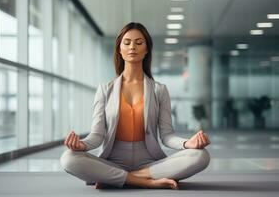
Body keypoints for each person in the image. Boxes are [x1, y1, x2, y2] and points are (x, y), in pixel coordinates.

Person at [60, 22, 211, 190]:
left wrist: (187, 143)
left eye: (139, 43)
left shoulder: (159, 90)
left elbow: (167, 136)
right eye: (127, 42)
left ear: (146, 50)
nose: (132, 47)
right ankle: (143, 181)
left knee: (200, 156)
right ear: (119, 49)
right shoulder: (105, 90)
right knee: (68, 158)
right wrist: (82, 145)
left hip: (149, 163)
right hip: (112, 161)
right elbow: (96, 136)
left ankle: (119, 178)